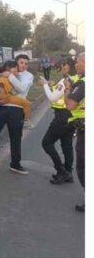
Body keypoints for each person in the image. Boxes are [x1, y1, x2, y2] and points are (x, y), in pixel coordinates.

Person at [0, 54, 34, 174]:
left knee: (15, 138)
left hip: (17, 109)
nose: (24, 65)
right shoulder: (5, 73)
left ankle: (15, 164)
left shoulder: (29, 76)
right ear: (16, 63)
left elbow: (22, 89)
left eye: (26, 63)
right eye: (21, 63)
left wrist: (9, 75)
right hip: (1, 107)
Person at [40, 57, 78, 184]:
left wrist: (45, 84)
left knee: (46, 143)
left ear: (69, 66)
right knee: (67, 146)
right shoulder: (77, 78)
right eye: (60, 65)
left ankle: (62, 171)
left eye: (63, 65)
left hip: (62, 116)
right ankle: (68, 173)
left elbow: (52, 97)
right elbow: (60, 92)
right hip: (72, 116)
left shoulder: (65, 80)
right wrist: (53, 85)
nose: (61, 68)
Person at [66, 52, 85, 212]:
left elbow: (71, 105)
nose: (76, 65)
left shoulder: (84, 83)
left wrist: (67, 91)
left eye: (78, 62)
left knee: (83, 167)